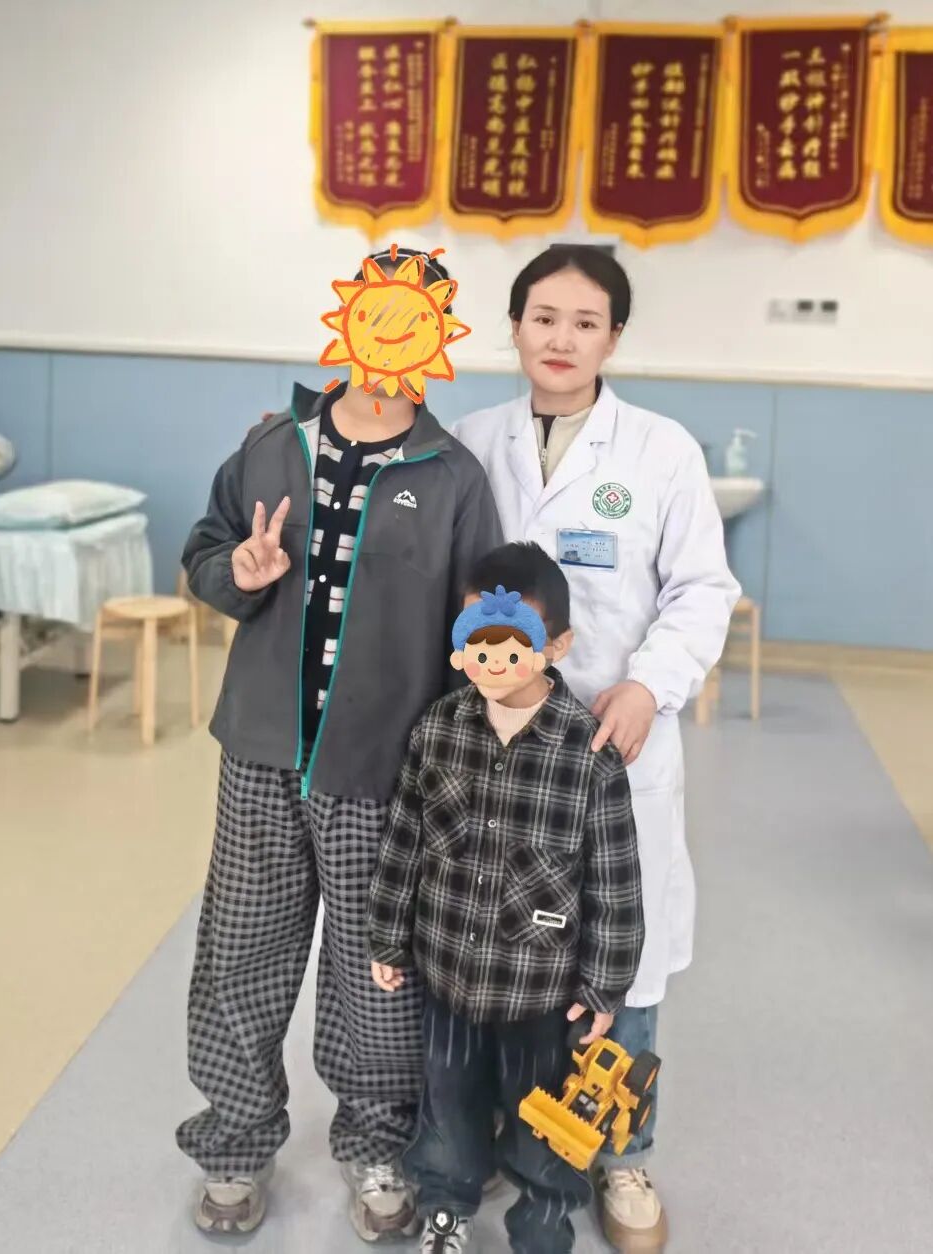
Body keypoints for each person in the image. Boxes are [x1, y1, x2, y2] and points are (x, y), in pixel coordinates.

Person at [176, 245, 503, 1241]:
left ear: (437, 339)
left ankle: (375, 1145)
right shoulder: (272, 445)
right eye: (377, 313)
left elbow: (474, 632)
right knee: (242, 949)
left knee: (376, 971)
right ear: (348, 321)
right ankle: (235, 1142)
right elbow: (205, 551)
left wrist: (456, 768)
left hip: (384, 768)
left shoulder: (452, 476)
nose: (390, 335)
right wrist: (237, 572)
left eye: (413, 319)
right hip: (261, 751)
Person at [452, 246, 741, 1253]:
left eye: (584, 322)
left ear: (613, 337)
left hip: (616, 748)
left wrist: (648, 684)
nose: (561, 339)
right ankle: (505, 1130)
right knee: (500, 946)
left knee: (626, 955)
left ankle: (624, 1153)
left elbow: (701, 589)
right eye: (543, 317)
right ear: (514, 326)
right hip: (495, 747)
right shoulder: (470, 442)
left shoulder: (659, 450)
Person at [368, 543, 646, 1254]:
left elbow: (615, 882)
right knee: (448, 1107)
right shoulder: (438, 730)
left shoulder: (587, 754)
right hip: (449, 980)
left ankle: (544, 1225)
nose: (492, 661)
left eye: (513, 643)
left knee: (543, 1124)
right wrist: (387, 936)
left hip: (540, 993)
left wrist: (605, 986)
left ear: (556, 646)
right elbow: (405, 840)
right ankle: (446, 1207)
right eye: (477, 642)